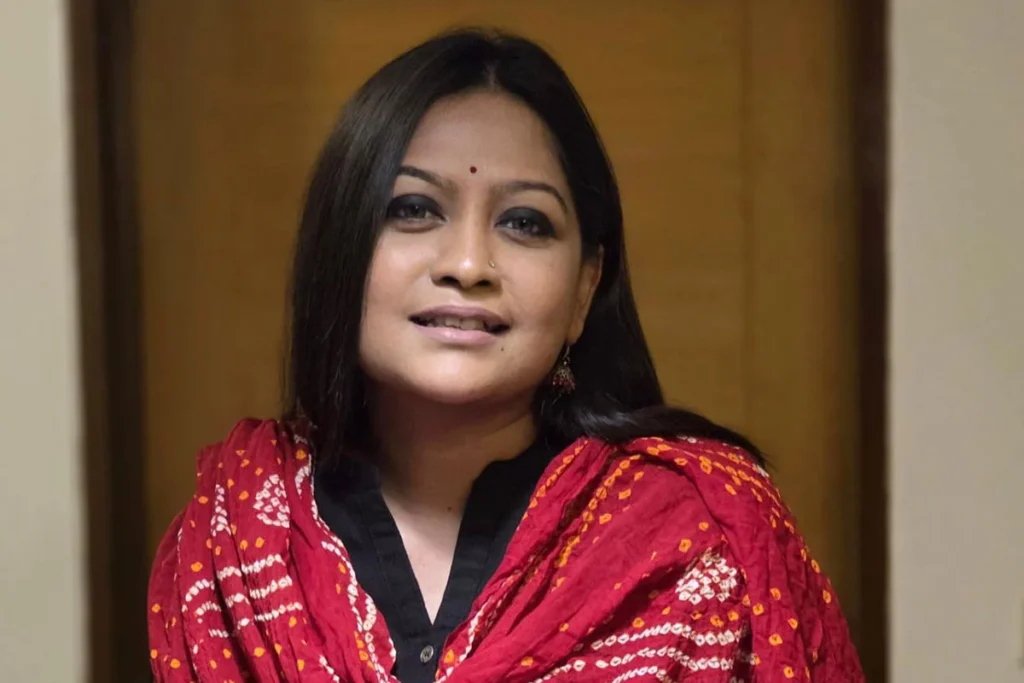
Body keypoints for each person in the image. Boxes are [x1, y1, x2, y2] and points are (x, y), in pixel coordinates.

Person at [147, 28, 863, 683]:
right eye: (413, 209)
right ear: (338, 251)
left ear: (584, 288)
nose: (467, 264)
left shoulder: (699, 541)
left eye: (524, 222)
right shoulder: (233, 540)